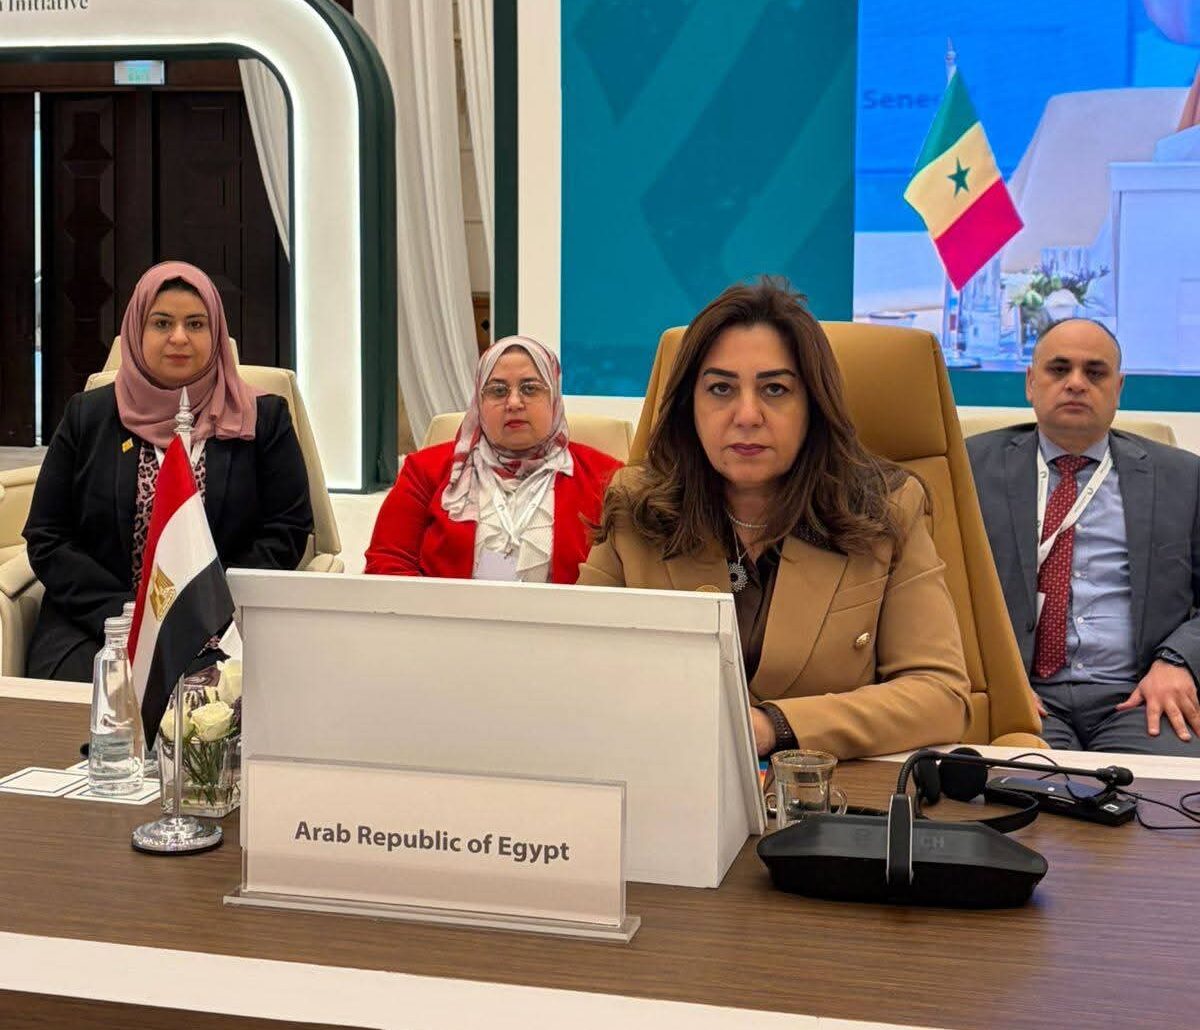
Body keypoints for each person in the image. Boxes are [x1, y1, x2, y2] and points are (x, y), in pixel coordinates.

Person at [578, 279, 971, 759]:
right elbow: (576, 665)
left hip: (824, 791)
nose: (747, 415)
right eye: (720, 388)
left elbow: (940, 696)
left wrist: (773, 727)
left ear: (813, 406)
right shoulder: (635, 507)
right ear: (689, 406)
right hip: (667, 776)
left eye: (775, 389)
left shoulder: (885, 509)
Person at [24, 261, 313, 681]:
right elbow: (47, 536)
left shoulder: (261, 418)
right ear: (136, 332)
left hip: (225, 625)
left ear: (216, 333)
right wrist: (127, 614)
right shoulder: (89, 416)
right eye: (162, 323)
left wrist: (204, 610)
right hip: (101, 624)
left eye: (195, 324)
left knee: (222, 701)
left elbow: (288, 529)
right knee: (95, 699)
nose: (179, 337)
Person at [968, 318, 1200, 755]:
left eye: (1095, 373)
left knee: (1166, 790)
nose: (1076, 383)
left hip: (1140, 695)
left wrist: (1178, 661)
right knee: (1019, 785)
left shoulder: (1184, 477)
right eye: (1059, 369)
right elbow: (937, 595)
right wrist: (992, 679)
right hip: (1020, 693)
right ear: (1030, 382)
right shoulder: (968, 469)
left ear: (1119, 388)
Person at [365, 336, 621, 583]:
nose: (514, 402)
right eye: (498, 391)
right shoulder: (424, 471)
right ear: (479, 401)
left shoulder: (607, 478)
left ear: (554, 398)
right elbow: (386, 563)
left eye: (530, 389)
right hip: (447, 613)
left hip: (564, 615)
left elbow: (623, 578)